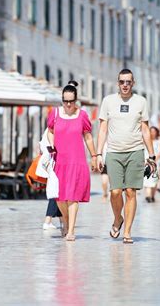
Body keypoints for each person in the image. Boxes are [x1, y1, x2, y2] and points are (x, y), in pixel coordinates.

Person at [96, 69, 156, 244]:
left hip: (135, 151)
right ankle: (117, 219)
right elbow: (102, 129)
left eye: (128, 82)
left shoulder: (141, 102)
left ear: (133, 83)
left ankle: (127, 232)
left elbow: (145, 129)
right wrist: (98, 153)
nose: (125, 85)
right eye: (122, 81)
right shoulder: (108, 101)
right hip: (113, 152)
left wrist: (151, 155)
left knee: (130, 192)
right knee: (115, 192)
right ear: (117, 83)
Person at [46, 81, 97, 241]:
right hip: (59, 160)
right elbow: (50, 132)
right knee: (60, 197)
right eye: (65, 101)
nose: (68, 104)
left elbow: (88, 137)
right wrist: (51, 145)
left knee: (73, 196)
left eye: (71, 101)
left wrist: (95, 156)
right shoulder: (54, 114)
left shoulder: (82, 115)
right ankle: (66, 222)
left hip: (77, 160)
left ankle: (71, 230)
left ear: (76, 100)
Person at [144, 127, 160, 203]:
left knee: (154, 180)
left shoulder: (159, 141)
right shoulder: (145, 141)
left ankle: (152, 196)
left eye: (154, 131)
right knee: (147, 179)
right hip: (146, 162)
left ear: (156, 132)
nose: (152, 133)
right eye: (151, 131)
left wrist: (155, 159)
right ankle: (148, 196)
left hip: (156, 163)